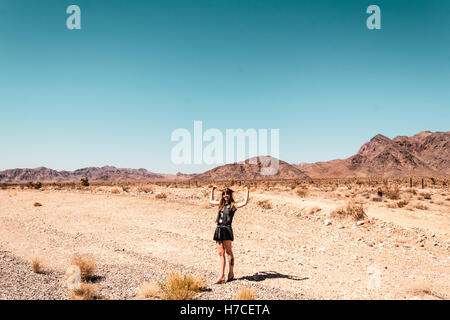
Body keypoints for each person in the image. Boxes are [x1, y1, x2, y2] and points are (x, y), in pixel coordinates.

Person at [209, 186, 249, 284]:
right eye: (224, 194)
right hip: (218, 229)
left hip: (226, 229)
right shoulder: (220, 205)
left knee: (228, 252)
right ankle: (221, 276)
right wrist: (212, 190)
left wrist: (247, 191)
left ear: (230, 195)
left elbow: (244, 203)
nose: (225, 196)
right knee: (220, 253)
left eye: (227, 194)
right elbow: (210, 201)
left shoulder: (232, 205)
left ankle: (231, 273)